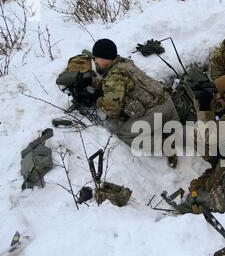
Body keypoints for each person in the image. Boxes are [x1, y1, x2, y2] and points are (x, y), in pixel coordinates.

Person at [57, 39, 180, 167]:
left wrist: (96, 99)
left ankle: (166, 145)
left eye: (97, 58)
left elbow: (112, 110)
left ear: (104, 58)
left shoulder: (114, 77)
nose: (96, 61)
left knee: (124, 135)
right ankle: (168, 132)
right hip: (168, 103)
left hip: (156, 113)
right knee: (174, 129)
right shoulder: (124, 63)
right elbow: (117, 84)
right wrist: (95, 82)